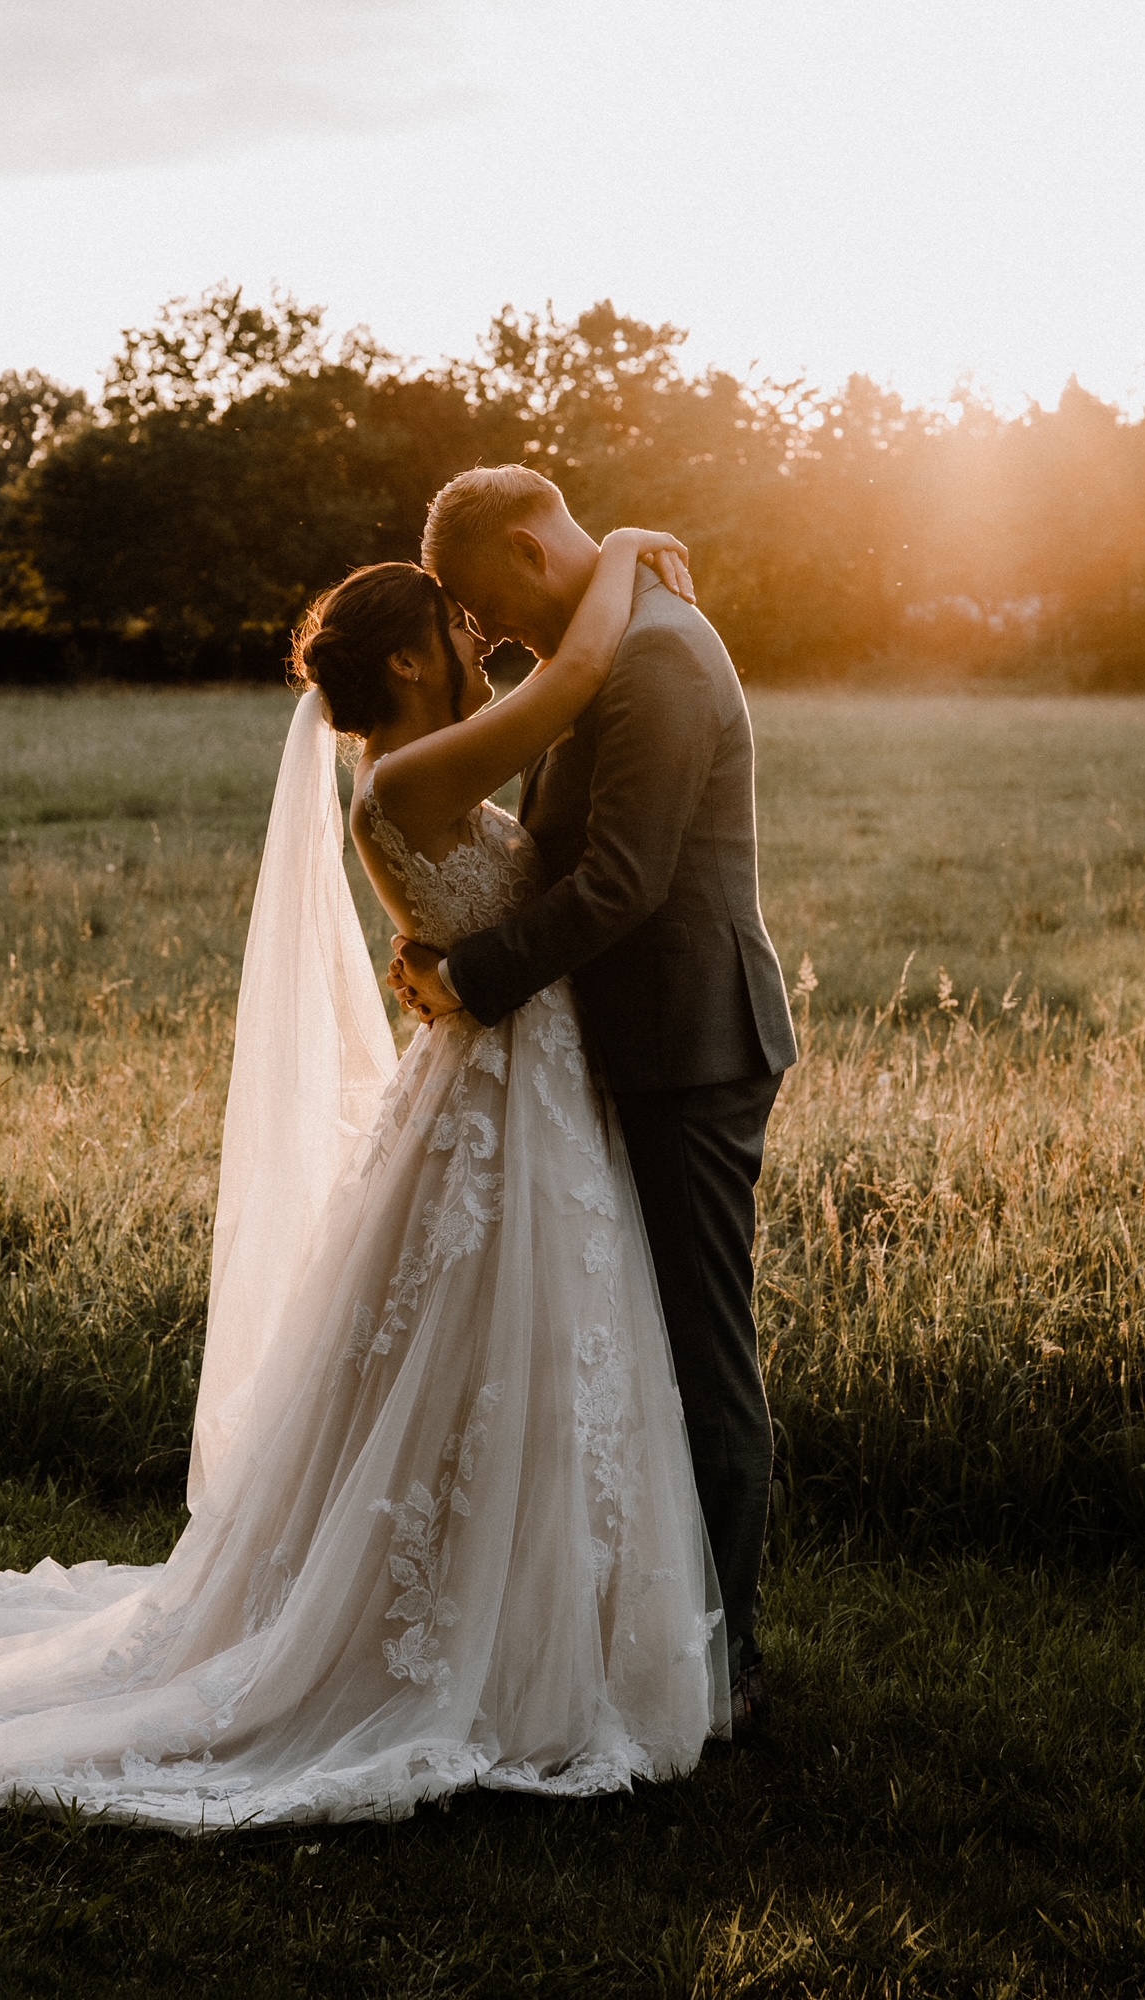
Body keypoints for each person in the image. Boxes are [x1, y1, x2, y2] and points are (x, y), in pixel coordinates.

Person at [0, 525, 730, 1829]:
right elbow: (574, 674)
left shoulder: (414, 772)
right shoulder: (400, 787)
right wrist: (625, 556)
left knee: (527, 1366)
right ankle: (451, 1643)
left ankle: (541, 1625)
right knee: (476, 1363)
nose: (483, 643)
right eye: (456, 625)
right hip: (500, 1101)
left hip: (520, 1092)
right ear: (409, 668)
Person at [395, 466, 796, 1727]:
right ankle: (644, 1631)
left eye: (477, 601)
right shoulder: (602, 640)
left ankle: (722, 1668)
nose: (485, 634)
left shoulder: (659, 656)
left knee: (700, 1349)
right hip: (622, 1047)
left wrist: (467, 977)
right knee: (643, 1342)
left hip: (690, 1043)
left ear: (525, 548)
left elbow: (621, 881)